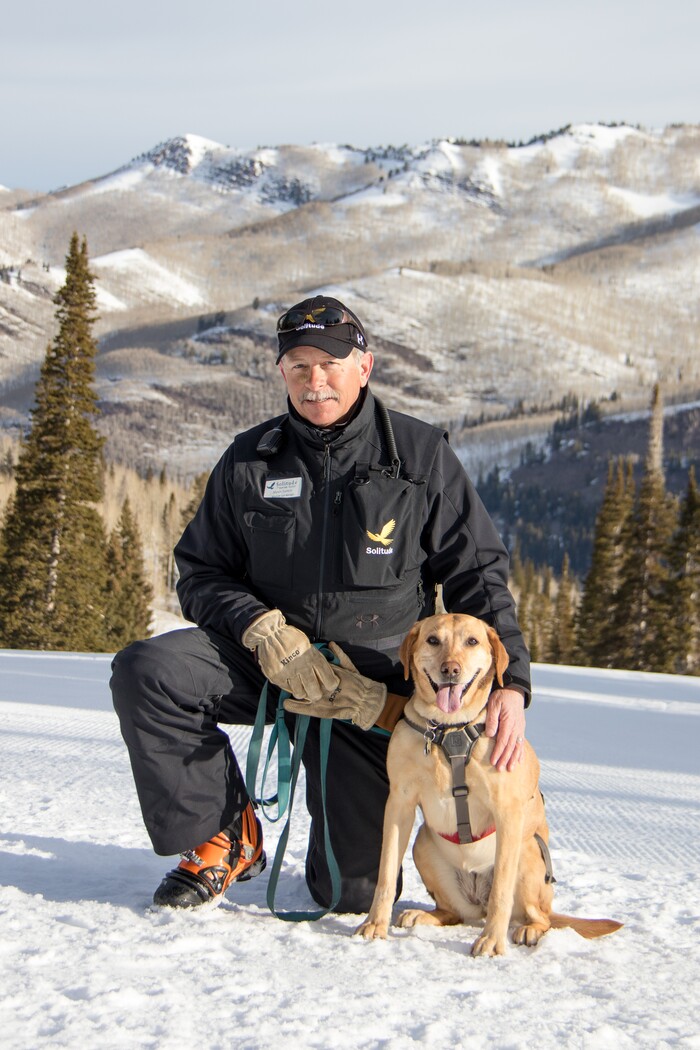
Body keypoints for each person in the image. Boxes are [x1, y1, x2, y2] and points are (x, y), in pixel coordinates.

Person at [111, 294, 531, 913]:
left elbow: (478, 573)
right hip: (267, 665)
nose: (316, 380)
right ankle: (226, 835)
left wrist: (511, 682)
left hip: (366, 693)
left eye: (331, 363)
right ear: (281, 372)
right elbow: (199, 571)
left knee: (348, 895)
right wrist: (258, 627)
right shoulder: (249, 461)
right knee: (148, 672)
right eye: (300, 365)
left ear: (364, 367)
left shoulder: (417, 459)